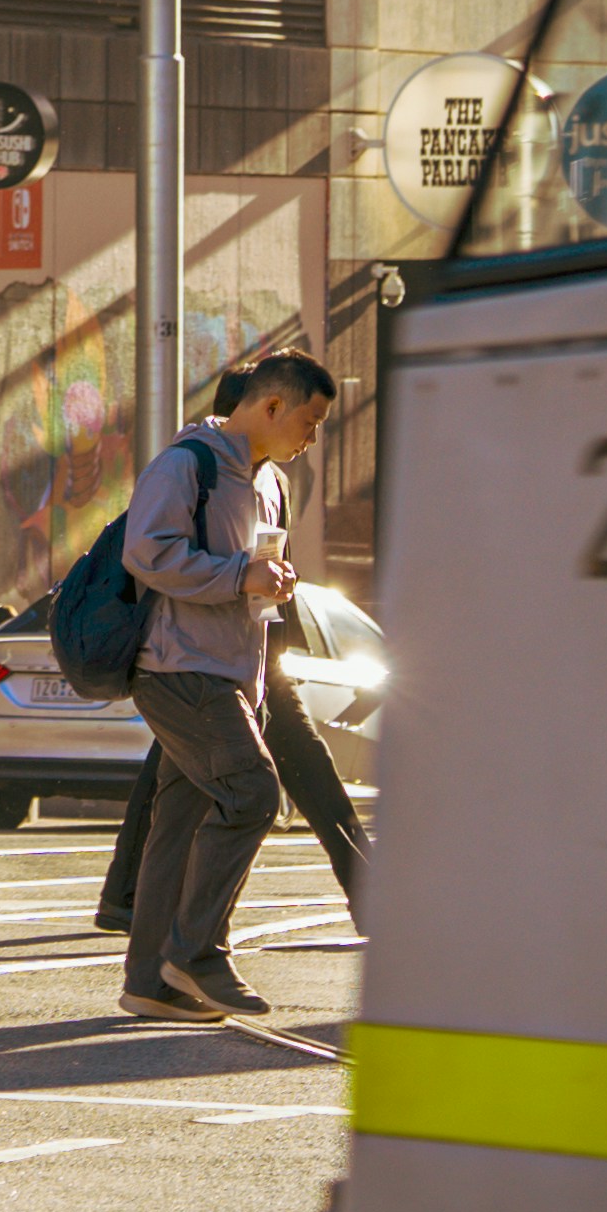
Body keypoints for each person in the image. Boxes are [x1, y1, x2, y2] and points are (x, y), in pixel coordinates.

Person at [96, 371, 368, 937]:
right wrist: (244, 579)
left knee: (178, 794)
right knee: (265, 789)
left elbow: (267, 563)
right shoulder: (191, 466)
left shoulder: (272, 484)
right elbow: (150, 554)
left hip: (249, 656)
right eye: (308, 421)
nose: (311, 436)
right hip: (197, 663)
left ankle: (137, 925)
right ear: (264, 411)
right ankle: (193, 946)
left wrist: (273, 607)